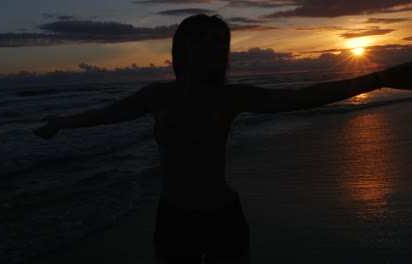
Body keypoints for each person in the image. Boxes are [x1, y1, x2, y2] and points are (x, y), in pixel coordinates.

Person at [34, 14, 412, 264]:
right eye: (211, 44)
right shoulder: (156, 96)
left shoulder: (232, 97)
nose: (220, 53)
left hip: (223, 219)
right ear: (186, 49)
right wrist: (62, 121)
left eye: (223, 46)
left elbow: (301, 97)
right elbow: (106, 114)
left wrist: (376, 79)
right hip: (174, 219)